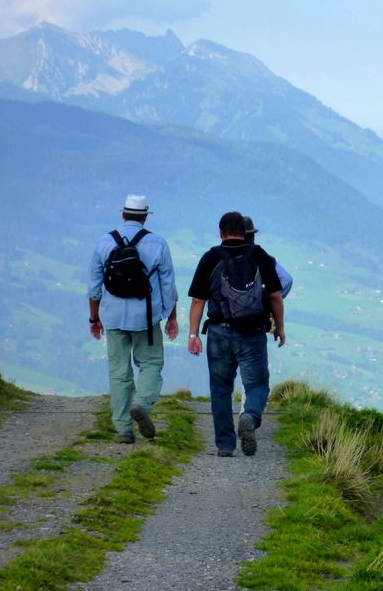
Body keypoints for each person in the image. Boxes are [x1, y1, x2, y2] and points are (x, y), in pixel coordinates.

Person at [187, 211, 286, 457]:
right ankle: (250, 417)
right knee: (257, 384)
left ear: (221, 233)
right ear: (245, 232)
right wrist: (280, 327)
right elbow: (275, 295)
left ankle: (225, 445)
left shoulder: (210, 258)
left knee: (220, 388)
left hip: (219, 332)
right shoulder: (260, 255)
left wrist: (193, 335)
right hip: (252, 332)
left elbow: (198, 300)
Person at [88, 194, 179, 444]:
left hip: (112, 315)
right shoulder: (158, 243)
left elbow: (94, 287)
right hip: (146, 318)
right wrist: (171, 317)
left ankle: (123, 430)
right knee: (150, 364)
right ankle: (141, 404)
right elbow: (168, 286)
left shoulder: (104, 242)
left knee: (119, 372)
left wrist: (94, 318)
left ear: (123, 214)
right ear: (145, 216)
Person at [244, 215, 293, 299]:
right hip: (259, 308)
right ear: (253, 236)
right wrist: (268, 302)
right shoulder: (261, 255)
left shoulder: (227, 257)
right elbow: (287, 280)